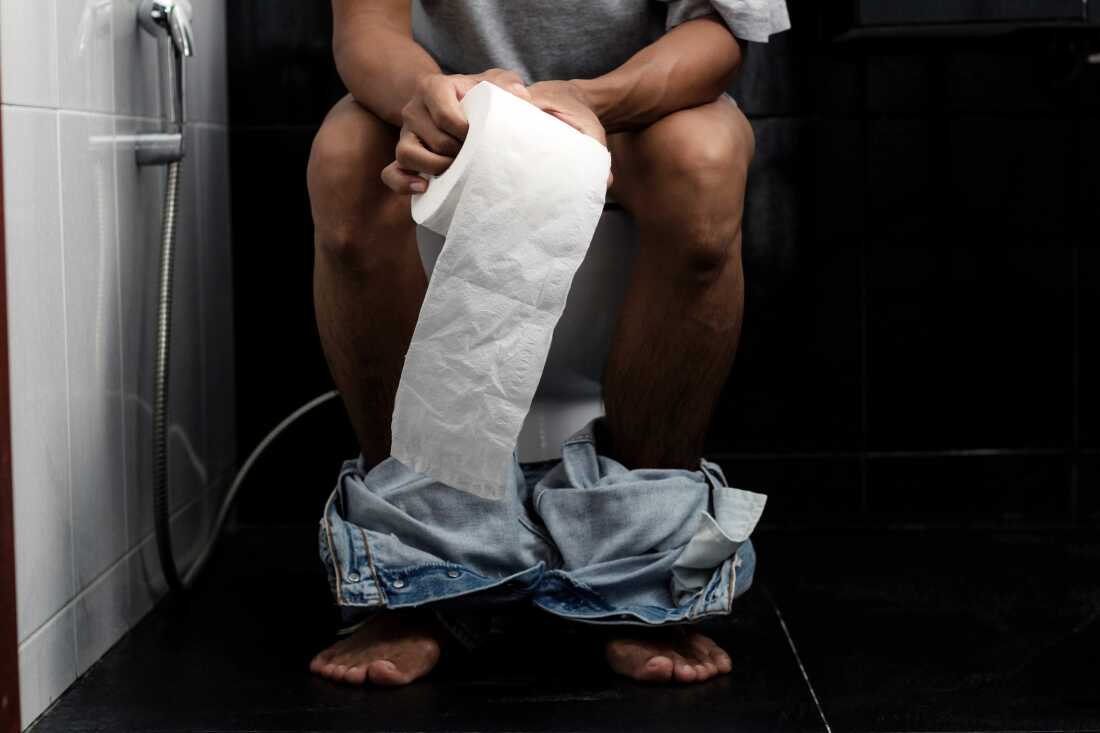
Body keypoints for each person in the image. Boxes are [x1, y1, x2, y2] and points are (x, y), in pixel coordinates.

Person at [307, 0, 788, 687]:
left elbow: (717, 32)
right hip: (450, 116)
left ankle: (642, 565)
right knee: (346, 156)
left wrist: (588, 100)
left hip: (635, 117)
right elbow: (366, 30)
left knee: (703, 159)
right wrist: (432, 99)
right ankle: (413, 559)